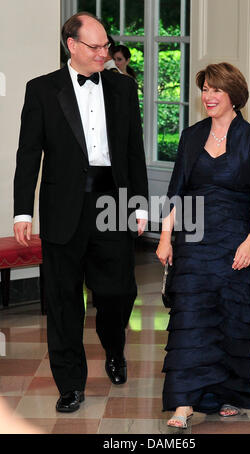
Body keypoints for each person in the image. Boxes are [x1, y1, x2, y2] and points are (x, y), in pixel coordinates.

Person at [13, 12, 148, 413]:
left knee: (118, 291)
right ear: (71, 46)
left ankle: (114, 348)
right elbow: (27, 156)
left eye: (107, 45)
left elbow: (133, 152)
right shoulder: (41, 90)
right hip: (63, 207)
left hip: (112, 202)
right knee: (63, 301)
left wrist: (138, 203)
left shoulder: (124, 89)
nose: (104, 54)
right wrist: (23, 212)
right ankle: (70, 383)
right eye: (96, 47)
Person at [156, 62, 250, 428]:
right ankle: (183, 403)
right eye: (204, 89)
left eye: (215, 90)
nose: (207, 96)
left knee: (230, 320)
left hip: (235, 242)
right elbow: (176, 191)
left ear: (233, 96)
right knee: (190, 319)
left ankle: (228, 395)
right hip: (192, 242)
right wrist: (165, 236)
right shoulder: (191, 136)